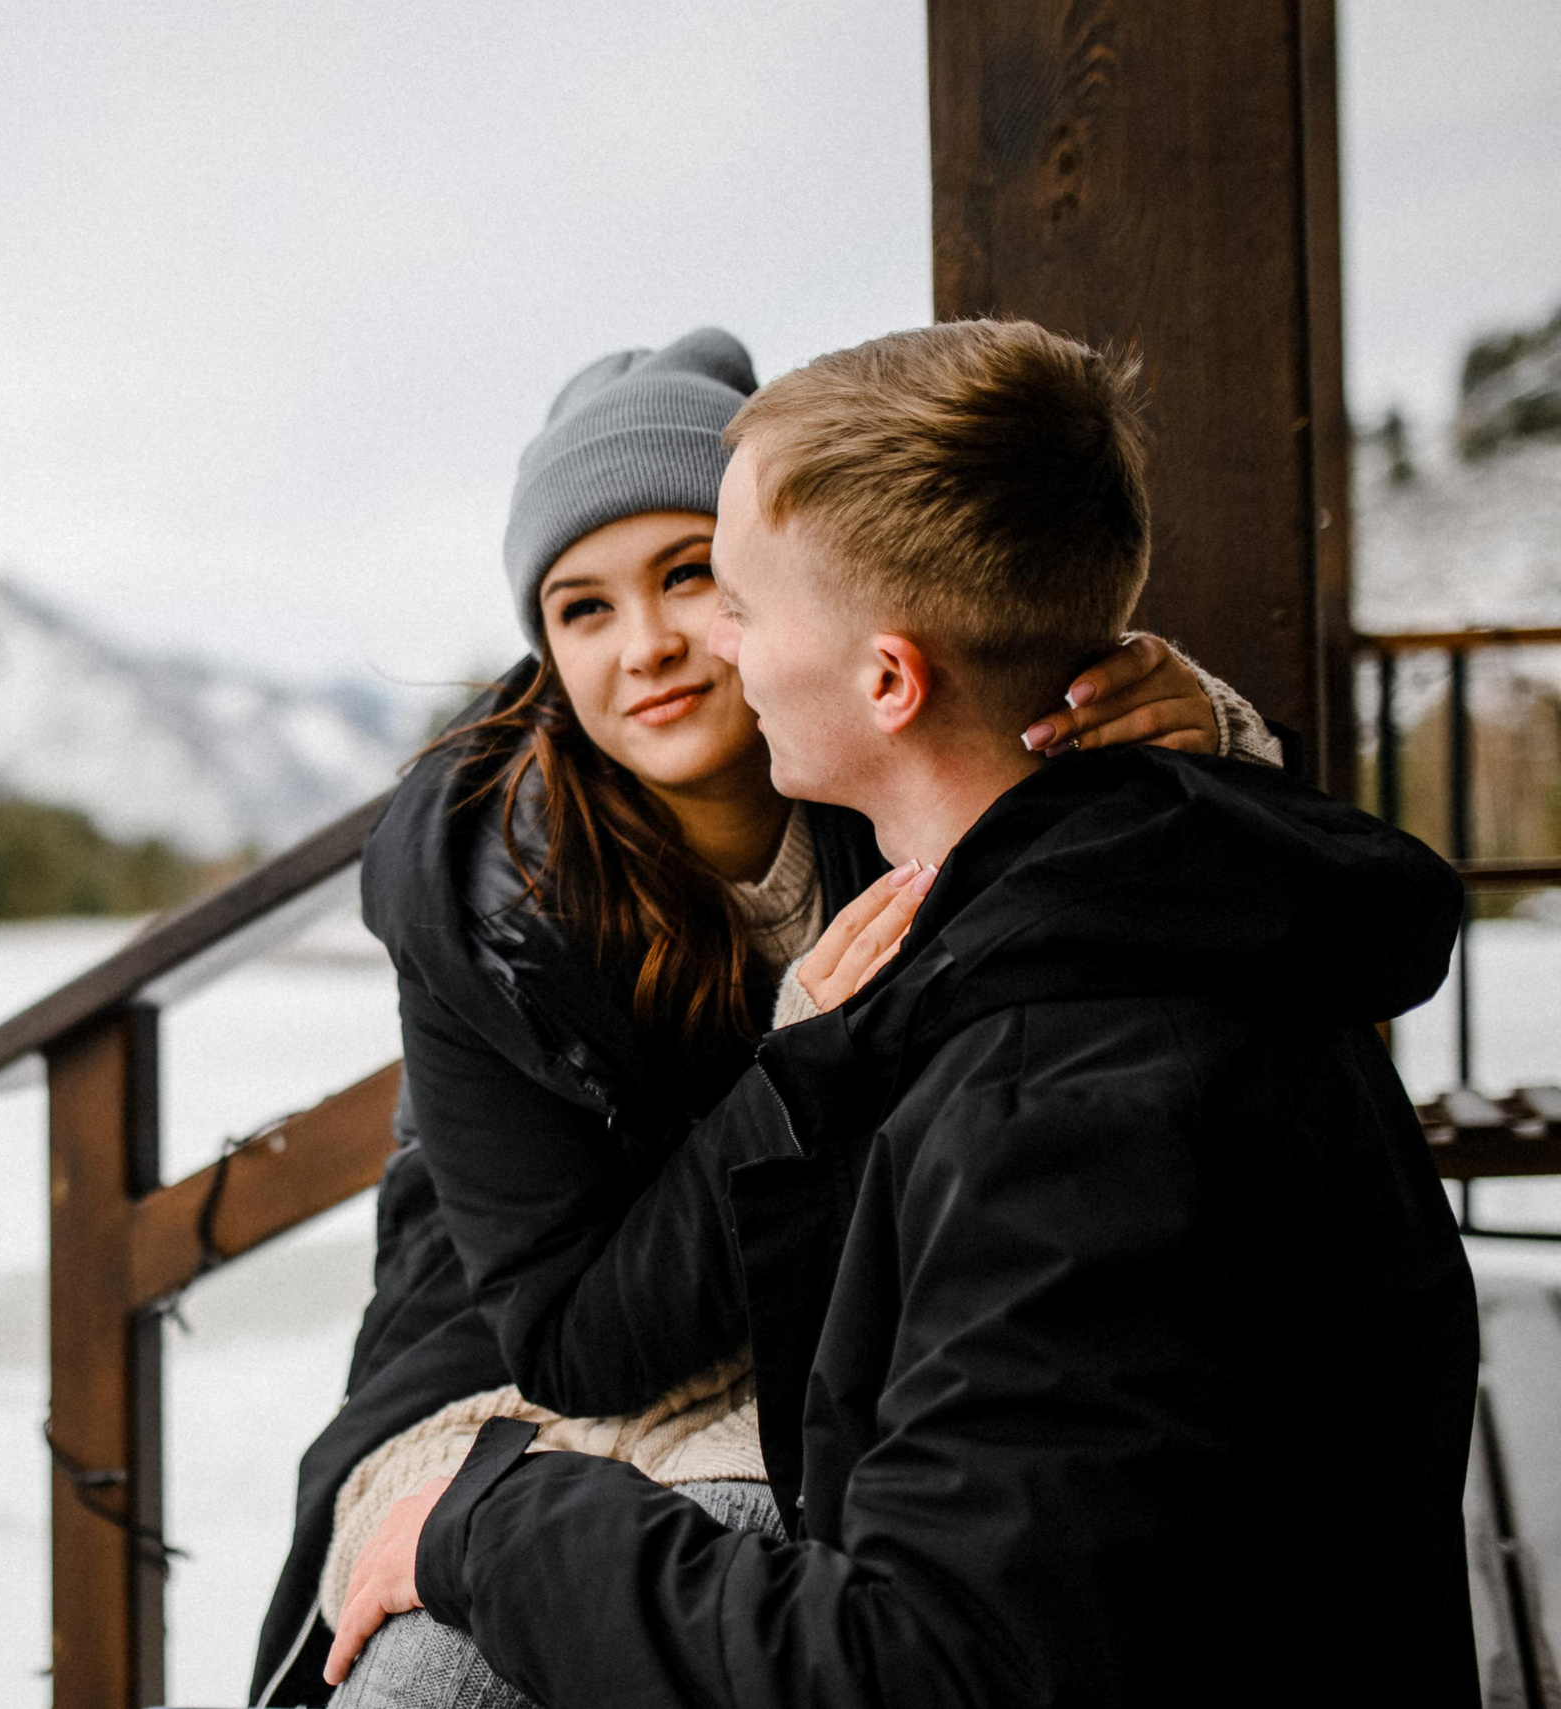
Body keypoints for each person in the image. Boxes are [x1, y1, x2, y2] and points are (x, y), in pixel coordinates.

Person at [324, 319, 1477, 1706]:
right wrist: (806, 1061)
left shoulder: (1042, 1046)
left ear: (888, 672)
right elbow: (572, 1342)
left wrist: (1193, 751)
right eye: (580, 608)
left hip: (895, 1432)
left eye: (713, 585)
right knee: (439, 1659)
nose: (676, 649)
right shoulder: (493, 892)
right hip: (579, 1390)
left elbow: (933, 1659)